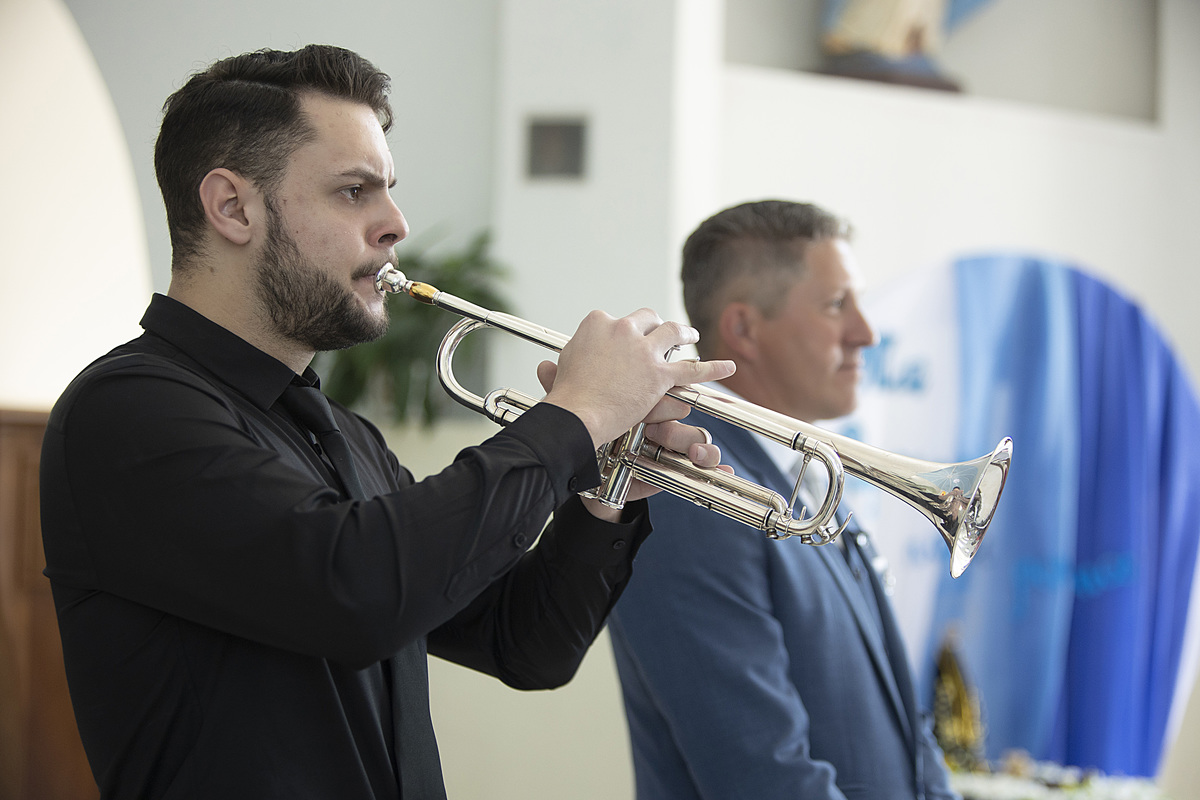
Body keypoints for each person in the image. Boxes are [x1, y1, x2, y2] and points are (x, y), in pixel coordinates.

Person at [39, 45, 734, 799]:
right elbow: (359, 591)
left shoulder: (343, 435)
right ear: (232, 207)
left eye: (389, 191)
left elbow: (525, 643)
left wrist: (606, 486)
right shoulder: (129, 409)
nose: (396, 224)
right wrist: (577, 413)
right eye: (353, 192)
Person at [609, 200, 959, 799]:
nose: (866, 333)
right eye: (835, 305)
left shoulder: (806, 479)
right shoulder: (691, 495)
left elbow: (908, 739)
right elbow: (764, 777)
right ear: (744, 328)